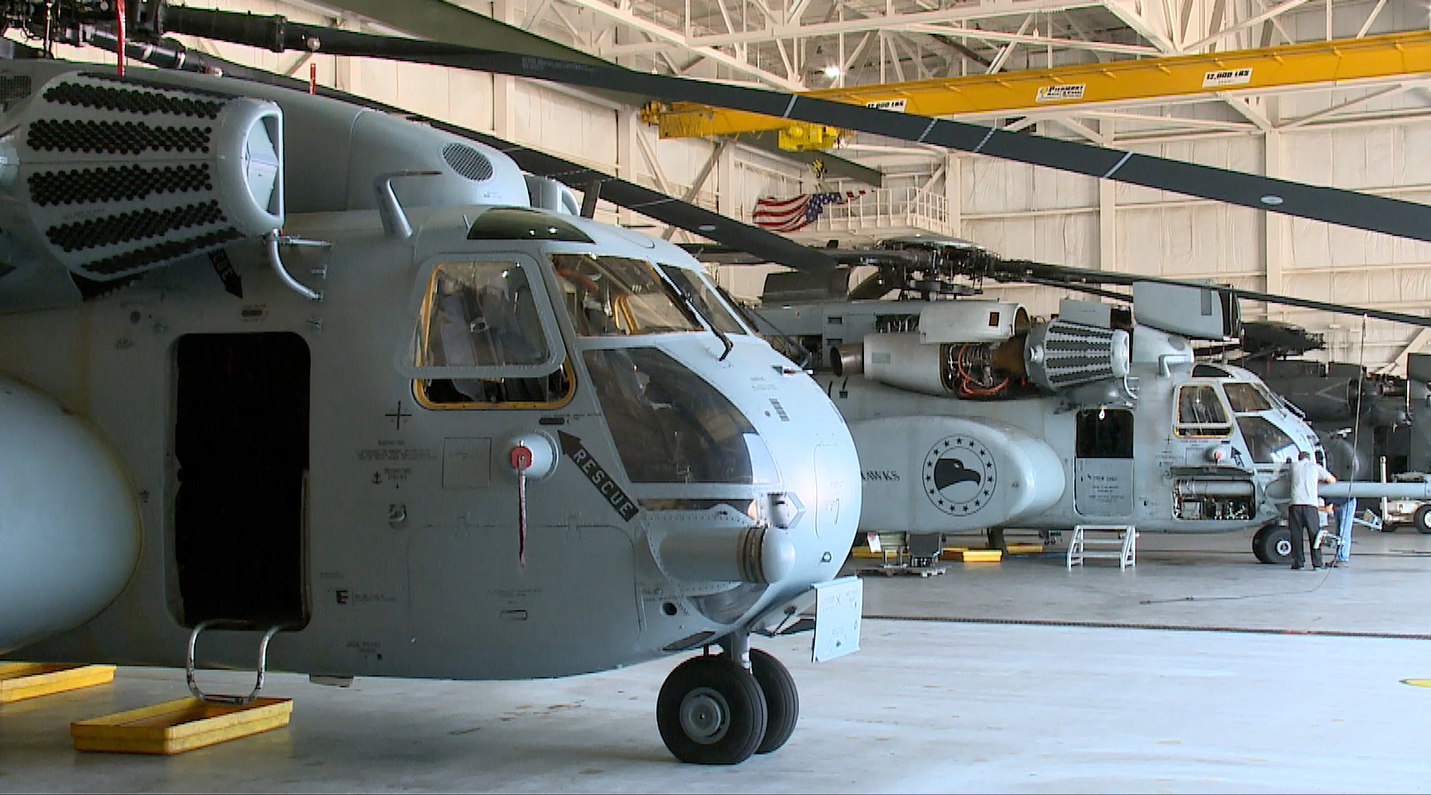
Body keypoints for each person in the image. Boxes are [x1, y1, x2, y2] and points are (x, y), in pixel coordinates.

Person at [1287, 451, 1336, 570]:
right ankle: (1317, 563)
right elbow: (1332, 480)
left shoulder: (1293, 466)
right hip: (1311, 505)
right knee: (1314, 534)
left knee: (1296, 534)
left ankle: (1298, 562)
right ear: (1310, 459)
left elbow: (1288, 479)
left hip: (1295, 504)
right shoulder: (1316, 467)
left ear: (1299, 458)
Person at [1327, 494, 1355, 567]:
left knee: (1344, 530)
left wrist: (1329, 504)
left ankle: (1343, 558)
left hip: (1346, 501)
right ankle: (1339, 556)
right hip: (1338, 502)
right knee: (1339, 530)